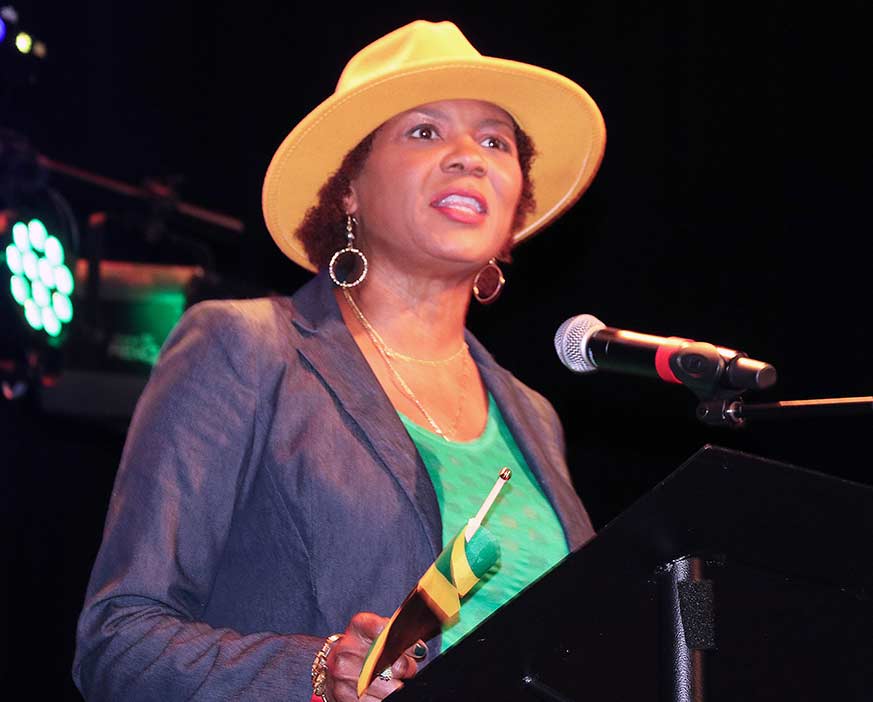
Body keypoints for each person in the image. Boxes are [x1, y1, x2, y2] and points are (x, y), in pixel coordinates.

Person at [73, 19, 606, 702]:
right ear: (347, 187)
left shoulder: (534, 417)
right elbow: (120, 643)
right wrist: (318, 671)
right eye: (425, 131)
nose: (469, 157)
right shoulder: (244, 348)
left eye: (495, 141)